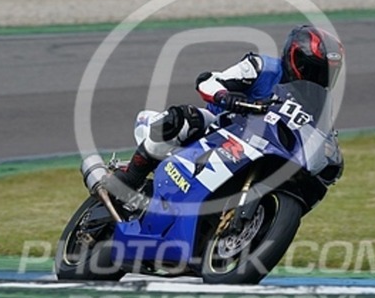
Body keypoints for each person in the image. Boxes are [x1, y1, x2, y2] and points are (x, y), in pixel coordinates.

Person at [101, 25, 344, 208]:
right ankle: (128, 180)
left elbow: (321, 134)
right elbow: (208, 81)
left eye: (326, 73)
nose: (319, 78)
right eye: (315, 70)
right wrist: (227, 98)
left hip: (265, 148)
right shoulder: (261, 67)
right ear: (295, 58)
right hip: (221, 127)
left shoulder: (317, 103)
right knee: (181, 119)